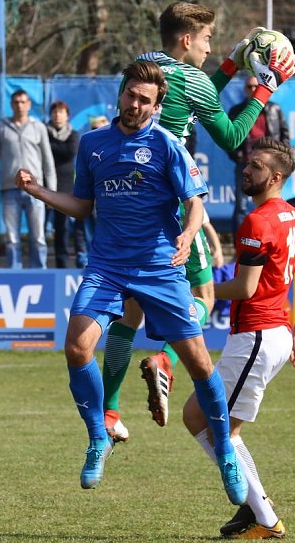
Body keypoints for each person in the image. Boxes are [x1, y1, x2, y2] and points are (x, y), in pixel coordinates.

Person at [14, 61, 247, 506]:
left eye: (145, 99)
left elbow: (195, 203)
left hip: (159, 267)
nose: (136, 104)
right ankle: (99, 436)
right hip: (107, 265)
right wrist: (38, 191)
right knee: (77, 347)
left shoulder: (166, 145)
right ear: (120, 94)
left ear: (157, 106)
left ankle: (225, 452)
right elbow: (83, 206)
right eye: (130, 95)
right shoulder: (93, 143)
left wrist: (188, 231)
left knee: (198, 362)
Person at [103, 2, 295, 439]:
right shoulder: (193, 80)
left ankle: (110, 414)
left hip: (126, 200)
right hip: (172, 202)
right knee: (204, 293)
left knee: (128, 313)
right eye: (208, 40)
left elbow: (196, 89)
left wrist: (231, 62)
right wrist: (266, 87)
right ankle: (166, 359)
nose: (210, 48)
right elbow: (230, 135)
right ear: (188, 39)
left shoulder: (143, 68)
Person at [182, 136, 295, 540]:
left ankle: (264, 517)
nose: (246, 169)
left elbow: (244, 288)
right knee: (198, 416)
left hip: (257, 337)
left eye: (256, 165)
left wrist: (194, 291)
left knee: (225, 430)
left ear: (275, 176)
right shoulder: (290, 215)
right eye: (247, 162)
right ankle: (252, 504)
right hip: (270, 334)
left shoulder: (258, 221)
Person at [0, 90, 56, 269]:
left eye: (23, 102)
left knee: (39, 236)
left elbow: (48, 160)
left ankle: (40, 273)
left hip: (35, 189)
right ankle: (14, 274)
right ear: (11, 104)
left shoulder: (38, 126)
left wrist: (52, 192)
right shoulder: (0, 127)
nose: (20, 105)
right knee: (11, 237)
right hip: (9, 189)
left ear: (29, 104)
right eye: (16, 102)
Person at [227, 74, 290, 234]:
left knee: (272, 203)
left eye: (257, 86)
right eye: (250, 87)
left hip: (270, 166)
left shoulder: (274, 109)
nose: (253, 90)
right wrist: (238, 156)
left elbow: (285, 135)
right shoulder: (236, 111)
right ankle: (240, 246)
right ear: (244, 90)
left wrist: (280, 159)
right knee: (241, 205)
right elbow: (228, 139)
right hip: (245, 164)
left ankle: (273, 239)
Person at [46, 100, 85, 268]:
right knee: (43, 230)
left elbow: (70, 152)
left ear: (67, 116)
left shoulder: (73, 134)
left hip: (66, 186)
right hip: (45, 185)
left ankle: (64, 264)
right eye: (54, 112)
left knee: (63, 229)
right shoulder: (43, 132)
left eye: (61, 112)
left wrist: (50, 148)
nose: (57, 115)